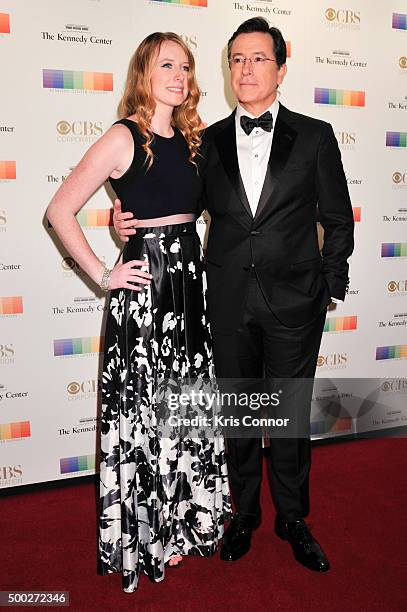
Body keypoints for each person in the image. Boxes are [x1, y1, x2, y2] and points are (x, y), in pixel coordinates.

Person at [113, 18, 354, 573]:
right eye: (237, 59)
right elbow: (169, 203)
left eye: (259, 58)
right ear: (229, 70)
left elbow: (338, 220)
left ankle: (292, 518)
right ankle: (242, 513)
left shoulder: (315, 135)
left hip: (296, 303)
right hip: (222, 302)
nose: (246, 69)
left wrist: (327, 287)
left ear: (281, 68)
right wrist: (123, 222)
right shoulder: (205, 141)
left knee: (288, 418)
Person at [46, 32, 231, 594]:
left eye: (185, 66)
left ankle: (180, 528)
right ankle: (146, 535)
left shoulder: (194, 140)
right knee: (146, 416)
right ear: (143, 74)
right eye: (165, 64)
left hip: (190, 295)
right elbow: (59, 210)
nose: (177, 75)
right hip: (146, 299)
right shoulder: (125, 136)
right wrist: (104, 274)